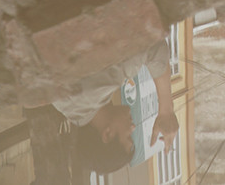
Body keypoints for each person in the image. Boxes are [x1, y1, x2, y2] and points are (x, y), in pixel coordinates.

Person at [52, 38, 179, 175]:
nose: (133, 127)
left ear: (107, 134)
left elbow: (153, 44)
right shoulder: (58, 101)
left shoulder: (104, 84)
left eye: (128, 136)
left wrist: (166, 109)